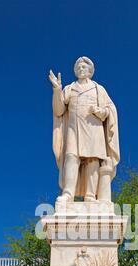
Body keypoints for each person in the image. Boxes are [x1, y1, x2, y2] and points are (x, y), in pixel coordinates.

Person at [49, 56, 120, 203]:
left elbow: (110, 109)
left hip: (93, 127)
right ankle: (68, 193)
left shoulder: (98, 89)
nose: (81, 69)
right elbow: (59, 110)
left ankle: (90, 195)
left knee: (93, 159)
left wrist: (102, 112)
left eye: (84, 67)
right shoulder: (69, 88)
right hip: (73, 128)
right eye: (79, 67)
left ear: (90, 71)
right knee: (71, 157)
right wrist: (57, 90)